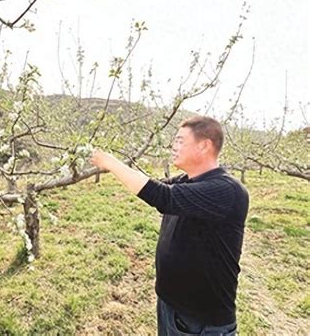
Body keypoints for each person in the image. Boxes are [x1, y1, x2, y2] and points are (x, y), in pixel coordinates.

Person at [89, 115, 249, 336]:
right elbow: (152, 188)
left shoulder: (227, 190)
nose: (173, 146)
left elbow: (162, 197)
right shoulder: (186, 180)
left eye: (180, 140)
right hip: (171, 306)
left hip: (201, 323)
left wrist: (111, 162)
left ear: (204, 145)